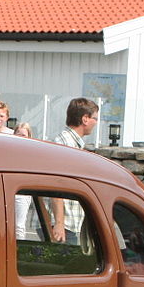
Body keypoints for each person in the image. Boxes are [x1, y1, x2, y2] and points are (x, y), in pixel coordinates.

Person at [51, 98, 100, 242]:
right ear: (85, 119)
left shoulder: (73, 144)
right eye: (95, 119)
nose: (96, 123)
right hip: (63, 226)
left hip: (69, 224)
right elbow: (56, 185)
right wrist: (59, 225)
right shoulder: (65, 144)